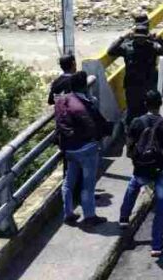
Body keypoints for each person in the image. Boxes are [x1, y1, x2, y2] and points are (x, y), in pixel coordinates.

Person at [119, 90, 163, 258]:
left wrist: (137, 161)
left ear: (145, 104)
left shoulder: (136, 123)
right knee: (161, 207)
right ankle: (156, 246)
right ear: (160, 104)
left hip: (142, 169)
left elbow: (129, 148)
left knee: (133, 186)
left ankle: (124, 218)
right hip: (162, 170)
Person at [53, 55, 109, 227]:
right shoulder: (86, 104)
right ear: (85, 86)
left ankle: (68, 213)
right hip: (86, 148)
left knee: (68, 182)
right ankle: (89, 216)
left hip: (69, 148)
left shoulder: (62, 101)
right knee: (88, 184)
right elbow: (95, 126)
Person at [107, 21, 163, 126]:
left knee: (149, 111)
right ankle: (132, 134)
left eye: (143, 37)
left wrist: (159, 40)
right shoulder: (127, 47)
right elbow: (111, 51)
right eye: (138, 37)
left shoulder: (152, 47)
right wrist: (122, 38)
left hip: (149, 85)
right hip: (132, 86)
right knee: (132, 112)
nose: (140, 39)